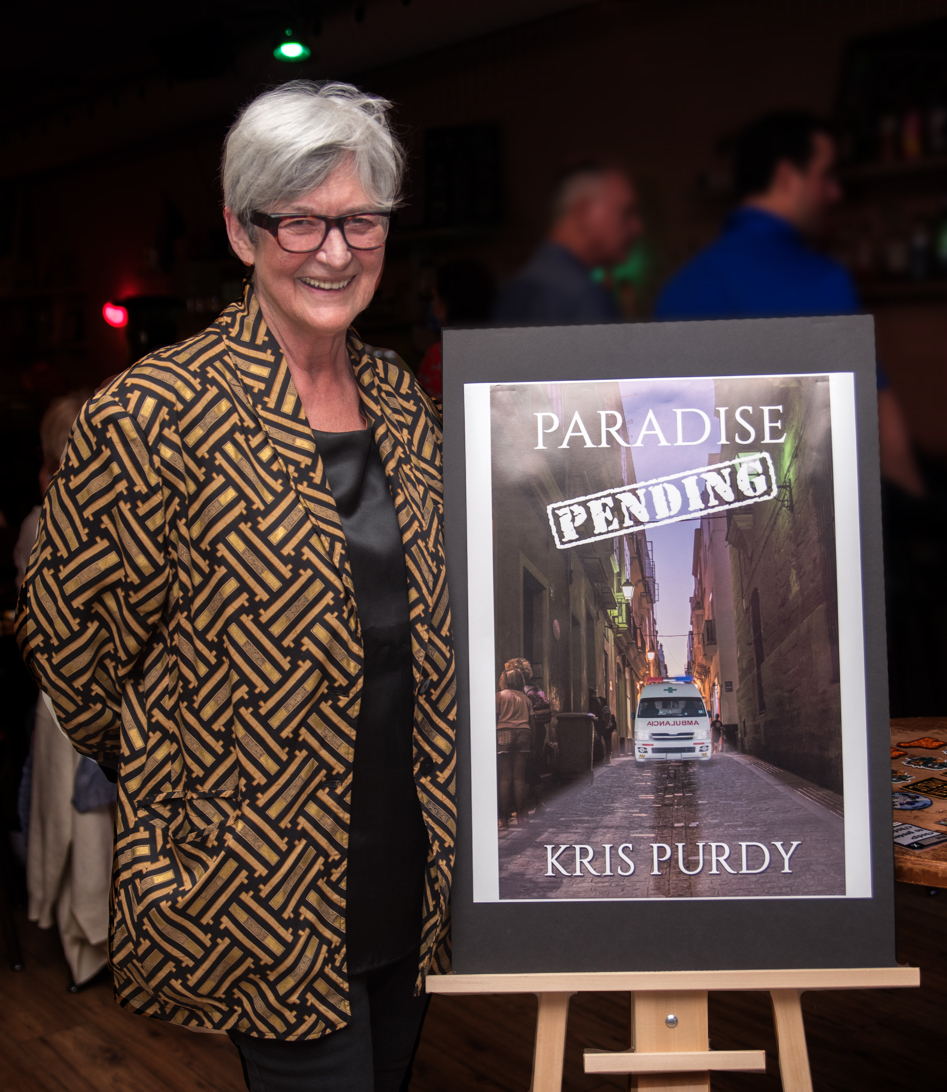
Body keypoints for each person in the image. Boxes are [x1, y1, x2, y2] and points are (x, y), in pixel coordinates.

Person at [16, 80, 456, 1092]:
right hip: (260, 876)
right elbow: (72, 653)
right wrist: (201, 778)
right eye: (299, 219)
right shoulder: (157, 414)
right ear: (239, 229)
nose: (334, 251)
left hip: (411, 861)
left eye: (359, 220)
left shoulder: (398, 399)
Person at [655, 110, 924, 497]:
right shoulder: (821, 280)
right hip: (811, 511)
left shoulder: (676, 289)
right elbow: (876, 423)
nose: (836, 192)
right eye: (826, 175)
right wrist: (922, 525)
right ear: (785, 177)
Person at [492, 162, 642, 324]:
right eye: (627, 213)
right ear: (582, 212)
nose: (638, 228)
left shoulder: (514, 289)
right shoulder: (584, 298)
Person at [416, 260, 495, 401]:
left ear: (451, 304)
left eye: (436, 300)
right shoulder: (505, 351)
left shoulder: (438, 356)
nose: (435, 313)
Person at [496, 668, 533, 827]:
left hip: (503, 732)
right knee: (519, 778)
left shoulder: (499, 696)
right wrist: (533, 741)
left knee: (504, 779)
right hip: (523, 732)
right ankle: (521, 817)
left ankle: (503, 819)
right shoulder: (525, 698)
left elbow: (494, 717)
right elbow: (532, 721)